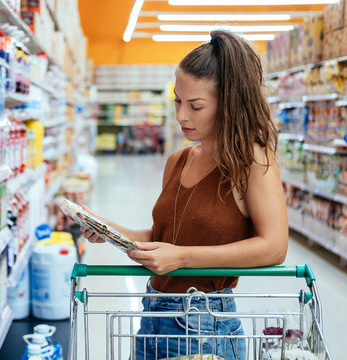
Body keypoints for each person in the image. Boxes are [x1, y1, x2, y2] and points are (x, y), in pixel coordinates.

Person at [80, 30, 289, 360]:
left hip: (204, 326)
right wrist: (110, 231)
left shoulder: (250, 161)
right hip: (152, 315)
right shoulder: (178, 160)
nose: (181, 115)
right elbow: (164, 238)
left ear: (229, 104)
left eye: (196, 106)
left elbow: (274, 247)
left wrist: (182, 258)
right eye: (178, 101)